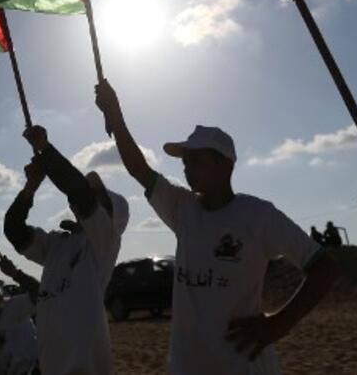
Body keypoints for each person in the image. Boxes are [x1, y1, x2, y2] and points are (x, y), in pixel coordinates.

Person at [95, 79, 339, 374]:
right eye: (185, 160)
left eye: (196, 160)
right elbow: (139, 168)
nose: (186, 167)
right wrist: (115, 114)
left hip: (243, 366)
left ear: (226, 165)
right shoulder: (182, 208)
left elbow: (323, 267)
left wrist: (279, 324)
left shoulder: (258, 215)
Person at [3, 124, 129, 374]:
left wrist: (45, 149)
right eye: (92, 192)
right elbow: (14, 230)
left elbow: (79, 192)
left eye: (98, 196)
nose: (90, 195)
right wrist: (31, 187)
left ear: (111, 219)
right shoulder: (57, 244)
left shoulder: (104, 243)